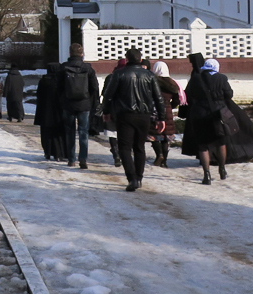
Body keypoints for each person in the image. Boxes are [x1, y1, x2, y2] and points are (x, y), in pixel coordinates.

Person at [181, 55, 253, 182]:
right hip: (218, 114)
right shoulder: (222, 78)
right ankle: (222, 168)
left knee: (203, 146)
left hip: (199, 115)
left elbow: (189, 95)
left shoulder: (195, 79)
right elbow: (229, 94)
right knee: (221, 142)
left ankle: (207, 175)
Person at [100, 47, 166, 192]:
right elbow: (158, 98)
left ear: (127, 59)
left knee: (125, 147)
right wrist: (161, 117)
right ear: (141, 60)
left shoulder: (119, 74)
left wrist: (106, 111)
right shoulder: (149, 75)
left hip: (125, 115)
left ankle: (132, 178)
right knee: (139, 146)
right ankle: (139, 177)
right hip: (144, 115)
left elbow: (109, 95)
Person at [60, 43, 101, 169]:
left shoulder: (64, 68)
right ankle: (83, 158)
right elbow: (94, 87)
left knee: (70, 132)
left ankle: (71, 159)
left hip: (68, 104)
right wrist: (94, 102)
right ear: (82, 54)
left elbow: (58, 88)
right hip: (84, 104)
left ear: (70, 53)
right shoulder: (88, 68)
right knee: (83, 132)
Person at [149, 61, 181, 168]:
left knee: (154, 134)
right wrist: (170, 106)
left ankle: (159, 155)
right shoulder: (172, 83)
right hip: (167, 110)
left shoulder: (153, 81)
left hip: (155, 110)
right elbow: (177, 99)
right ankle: (164, 161)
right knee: (166, 136)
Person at [34, 64, 68, 161]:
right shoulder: (60, 81)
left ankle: (47, 152)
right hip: (58, 112)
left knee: (46, 133)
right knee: (58, 133)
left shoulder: (43, 81)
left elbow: (39, 95)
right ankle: (59, 153)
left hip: (45, 111)